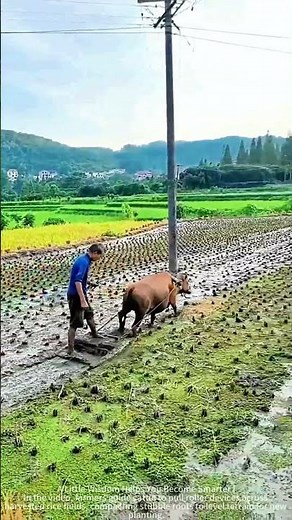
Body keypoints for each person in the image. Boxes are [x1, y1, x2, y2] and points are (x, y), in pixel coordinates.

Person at [67, 243, 104, 354]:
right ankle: (70, 350)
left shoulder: (84, 260)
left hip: (81, 293)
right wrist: (82, 300)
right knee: (75, 322)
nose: (99, 258)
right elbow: (77, 281)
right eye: (100, 256)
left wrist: (88, 283)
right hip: (76, 296)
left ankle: (94, 334)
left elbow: (78, 278)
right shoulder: (83, 262)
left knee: (89, 313)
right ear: (95, 253)